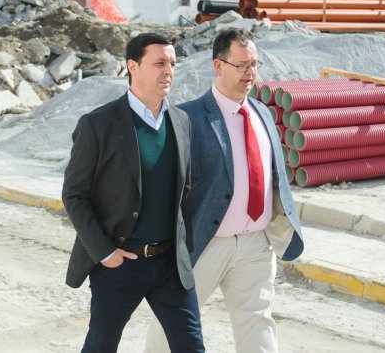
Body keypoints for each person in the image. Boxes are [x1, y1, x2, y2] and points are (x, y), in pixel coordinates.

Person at [145, 28, 304, 352]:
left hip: (255, 244)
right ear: (218, 66)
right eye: (242, 65)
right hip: (205, 243)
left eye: (254, 64)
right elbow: (163, 187)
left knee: (257, 320)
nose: (250, 72)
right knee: (173, 322)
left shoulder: (262, 114)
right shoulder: (186, 117)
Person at [62, 32, 205, 353]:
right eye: (159, 63)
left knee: (192, 346)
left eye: (172, 64)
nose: (168, 71)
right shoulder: (98, 124)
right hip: (120, 264)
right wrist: (105, 253)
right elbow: (74, 195)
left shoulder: (181, 121)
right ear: (133, 66)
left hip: (169, 265)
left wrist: (184, 248)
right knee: (101, 346)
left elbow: (186, 191)